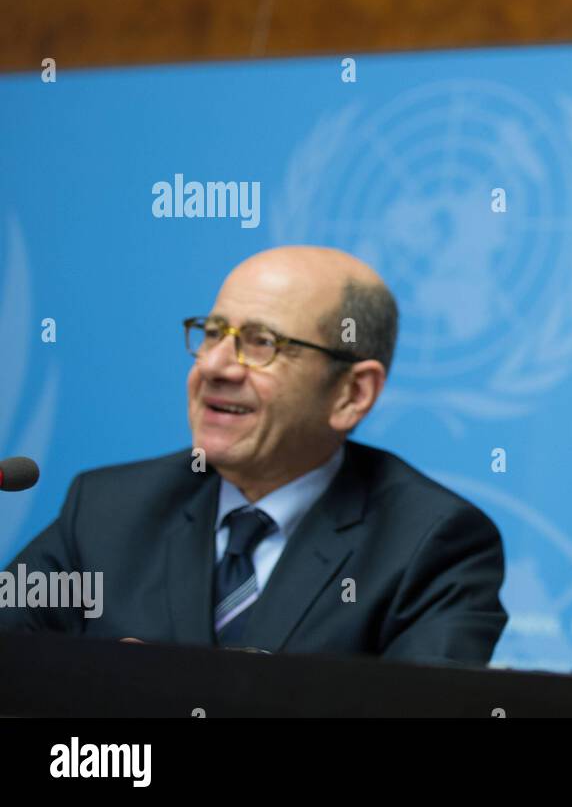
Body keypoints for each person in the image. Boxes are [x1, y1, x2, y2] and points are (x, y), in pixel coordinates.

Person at [0, 246, 507, 667]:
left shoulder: (432, 543)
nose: (216, 365)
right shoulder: (108, 508)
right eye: (214, 333)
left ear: (353, 393)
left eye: (262, 343)